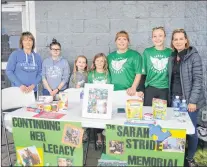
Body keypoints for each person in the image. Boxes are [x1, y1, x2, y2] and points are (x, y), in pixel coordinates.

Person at [169, 28, 206, 167]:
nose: (178, 41)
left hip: (189, 101)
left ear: (186, 40)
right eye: (175, 39)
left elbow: (198, 80)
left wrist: (193, 101)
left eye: (180, 39)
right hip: (175, 100)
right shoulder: (172, 57)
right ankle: (177, 155)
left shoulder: (193, 56)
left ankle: (190, 158)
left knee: (190, 131)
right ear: (172, 42)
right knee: (176, 129)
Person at [138, 27, 172, 106]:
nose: (157, 38)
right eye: (154, 36)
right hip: (150, 88)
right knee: (148, 115)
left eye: (160, 35)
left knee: (162, 115)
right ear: (152, 38)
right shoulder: (147, 52)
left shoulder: (170, 52)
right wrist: (141, 89)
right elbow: (143, 73)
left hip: (165, 89)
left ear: (164, 37)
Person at [6, 31, 42, 98]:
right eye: (25, 40)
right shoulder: (15, 54)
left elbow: (40, 73)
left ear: (33, 42)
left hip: (32, 91)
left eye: (30, 40)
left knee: (31, 108)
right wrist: (20, 85)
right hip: (18, 90)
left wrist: (33, 85)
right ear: (21, 42)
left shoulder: (37, 57)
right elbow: (9, 71)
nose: (28, 42)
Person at [107, 30, 142, 95]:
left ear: (128, 42)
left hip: (129, 91)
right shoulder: (110, 57)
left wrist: (133, 88)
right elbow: (105, 73)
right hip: (113, 92)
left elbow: (138, 74)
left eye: (124, 39)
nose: (121, 41)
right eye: (119, 39)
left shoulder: (135, 55)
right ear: (115, 41)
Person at [88, 53, 111, 147]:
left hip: (105, 101)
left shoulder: (107, 73)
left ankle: (106, 137)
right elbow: (89, 88)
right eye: (97, 60)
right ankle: (99, 138)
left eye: (102, 61)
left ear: (105, 62)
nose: (99, 62)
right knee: (96, 120)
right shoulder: (91, 74)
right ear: (94, 62)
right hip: (95, 101)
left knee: (105, 120)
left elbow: (109, 86)